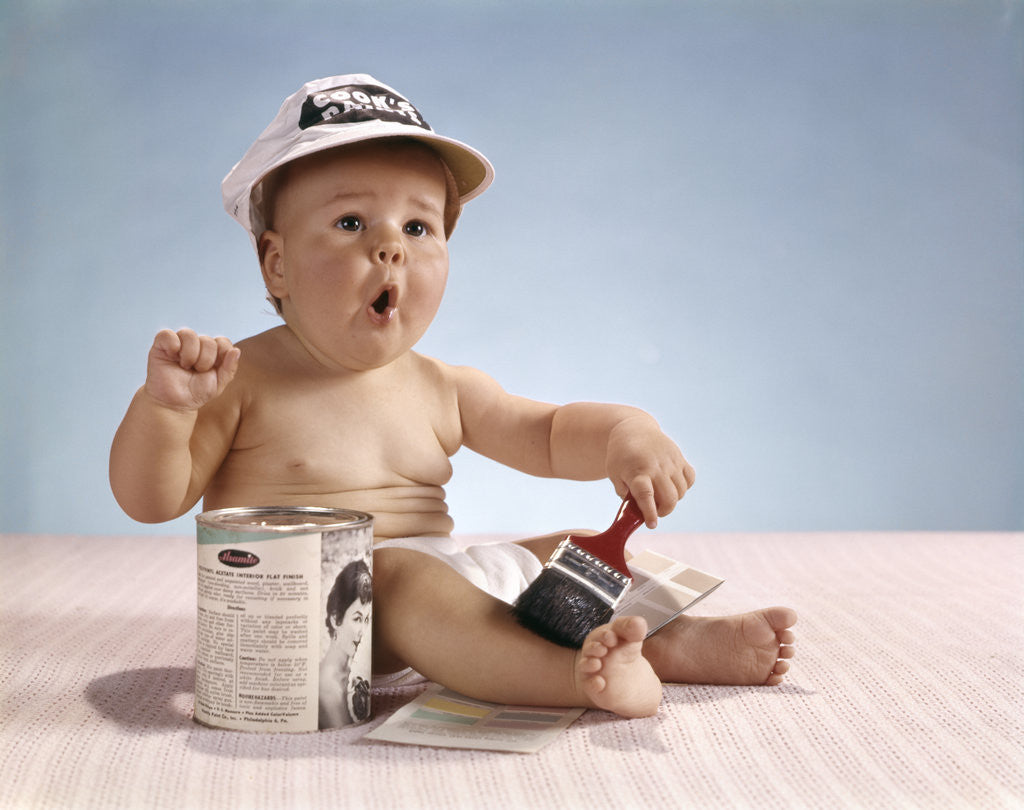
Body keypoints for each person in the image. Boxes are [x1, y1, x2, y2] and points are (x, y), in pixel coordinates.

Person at [110, 74, 796, 718]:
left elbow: (551, 432)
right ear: (277, 262)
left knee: (574, 549)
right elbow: (152, 499)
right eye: (352, 223)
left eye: (417, 228)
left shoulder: (440, 386)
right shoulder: (241, 376)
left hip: (443, 591)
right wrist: (167, 408)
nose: (391, 249)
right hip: (313, 620)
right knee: (405, 578)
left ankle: (673, 642)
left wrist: (628, 434)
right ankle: (569, 680)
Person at [319, 559, 372, 728]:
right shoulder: (326, 685)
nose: (362, 631)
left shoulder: (352, 674)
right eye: (357, 619)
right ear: (336, 619)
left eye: (366, 619)